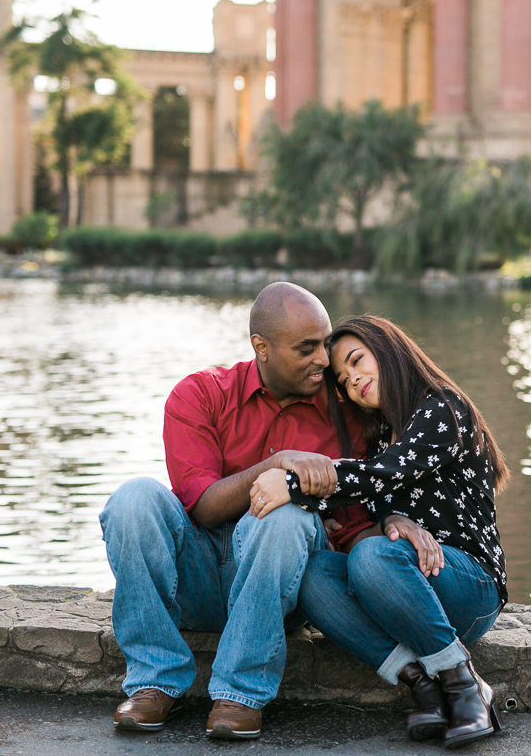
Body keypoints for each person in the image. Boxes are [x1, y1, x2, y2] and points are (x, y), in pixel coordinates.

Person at [99, 282, 348, 740]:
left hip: (278, 591)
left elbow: (360, 514)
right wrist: (276, 464)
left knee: (285, 515)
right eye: (307, 348)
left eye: (327, 344)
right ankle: (154, 680)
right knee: (133, 498)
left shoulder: (346, 412)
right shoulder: (200, 394)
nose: (324, 360)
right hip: (195, 582)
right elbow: (203, 507)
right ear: (262, 347)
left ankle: (241, 693)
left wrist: (398, 522)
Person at [250, 315, 508, 749]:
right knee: (312, 572)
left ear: (387, 350)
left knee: (370, 557)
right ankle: (423, 686)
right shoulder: (380, 434)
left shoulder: (443, 407)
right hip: (405, 585)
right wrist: (391, 519)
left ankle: (465, 685)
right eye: (344, 379)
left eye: (357, 361)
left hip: (469, 585)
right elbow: (376, 492)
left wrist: (292, 484)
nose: (354, 381)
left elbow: (382, 475)